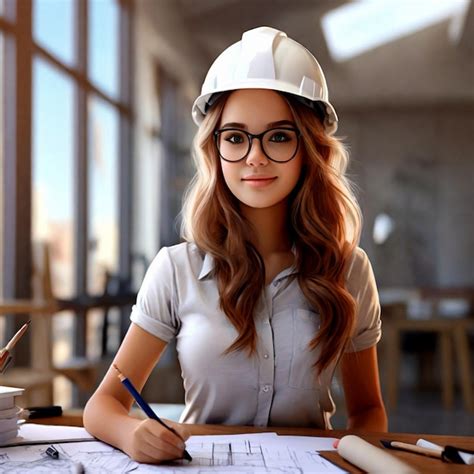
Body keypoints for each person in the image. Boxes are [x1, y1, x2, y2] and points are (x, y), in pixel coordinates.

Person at [84, 26, 387, 464]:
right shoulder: (175, 269)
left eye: (279, 136)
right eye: (235, 137)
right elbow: (103, 404)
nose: (255, 157)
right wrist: (132, 434)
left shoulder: (349, 270)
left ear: (310, 149)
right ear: (215, 148)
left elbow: (368, 410)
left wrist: (356, 458)